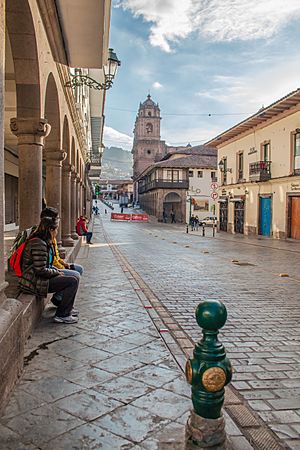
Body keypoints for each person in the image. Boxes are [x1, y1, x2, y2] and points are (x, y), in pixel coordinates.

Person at [19, 216, 79, 324]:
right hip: (34, 281)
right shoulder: (39, 243)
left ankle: (65, 308)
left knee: (73, 277)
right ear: (50, 230)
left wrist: (56, 270)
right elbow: (40, 270)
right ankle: (62, 314)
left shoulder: (43, 241)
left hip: (39, 278)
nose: (57, 232)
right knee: (72, 281)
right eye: (56, 229)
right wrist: (56, 272)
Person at [39, 207, 84, 307]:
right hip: (42, 278)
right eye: (58, 218)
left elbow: (55, 257)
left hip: (51, 270)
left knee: (78, 270)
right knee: (74, 277)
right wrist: (59, 271)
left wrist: (64, 265)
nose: (59, 221)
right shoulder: (41, 241)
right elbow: (43, 268)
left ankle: (59, 300)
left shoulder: (51, 238)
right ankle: (63, 312)